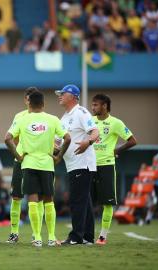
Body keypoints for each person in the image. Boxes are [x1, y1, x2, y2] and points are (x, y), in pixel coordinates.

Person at [5, 90, 71, 247]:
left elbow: (7, 138)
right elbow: (67, 138)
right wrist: (59, 156)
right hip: (46, 164)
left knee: (33, 200)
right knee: (47, 200)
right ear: (43, 103)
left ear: (29, 102)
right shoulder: (52, 119)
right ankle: (50, 237)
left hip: (27, 163)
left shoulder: (23, 120)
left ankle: (36, 237)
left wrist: (19, 155)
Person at [55, 84, 99, 245]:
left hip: (82, 163)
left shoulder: (81, 112)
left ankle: (75, 237)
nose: (59, 96)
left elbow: (95, 131)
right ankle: (87, 236)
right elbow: (57, 143)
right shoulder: (64, 117)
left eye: (62, 93)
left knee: (77, 201)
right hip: (72, 164)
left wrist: (88, 142)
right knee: (84, 201)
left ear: (73, 96)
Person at [91, 94, 137, 245]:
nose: (93, 108)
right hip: (89, 166)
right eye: (92, 105)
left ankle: (103, 236)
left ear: (104, 106)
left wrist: (117, 150)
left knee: (108, 203)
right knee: (86, 201)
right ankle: (85, 234)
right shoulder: (90, 121)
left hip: (107, 166)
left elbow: (132, 141)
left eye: (96, 105)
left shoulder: (116, 123)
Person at [5, 87, 39, 244]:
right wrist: (19, 153)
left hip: (38, 162)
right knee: (16, 196)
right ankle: (14, 233)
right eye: (28, 97)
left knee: (37, 198)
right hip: (21, 161)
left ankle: (35, 233)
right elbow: (13, 137)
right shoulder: (19, 116)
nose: (30, 100)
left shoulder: (43, 117)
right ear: (25, 99)